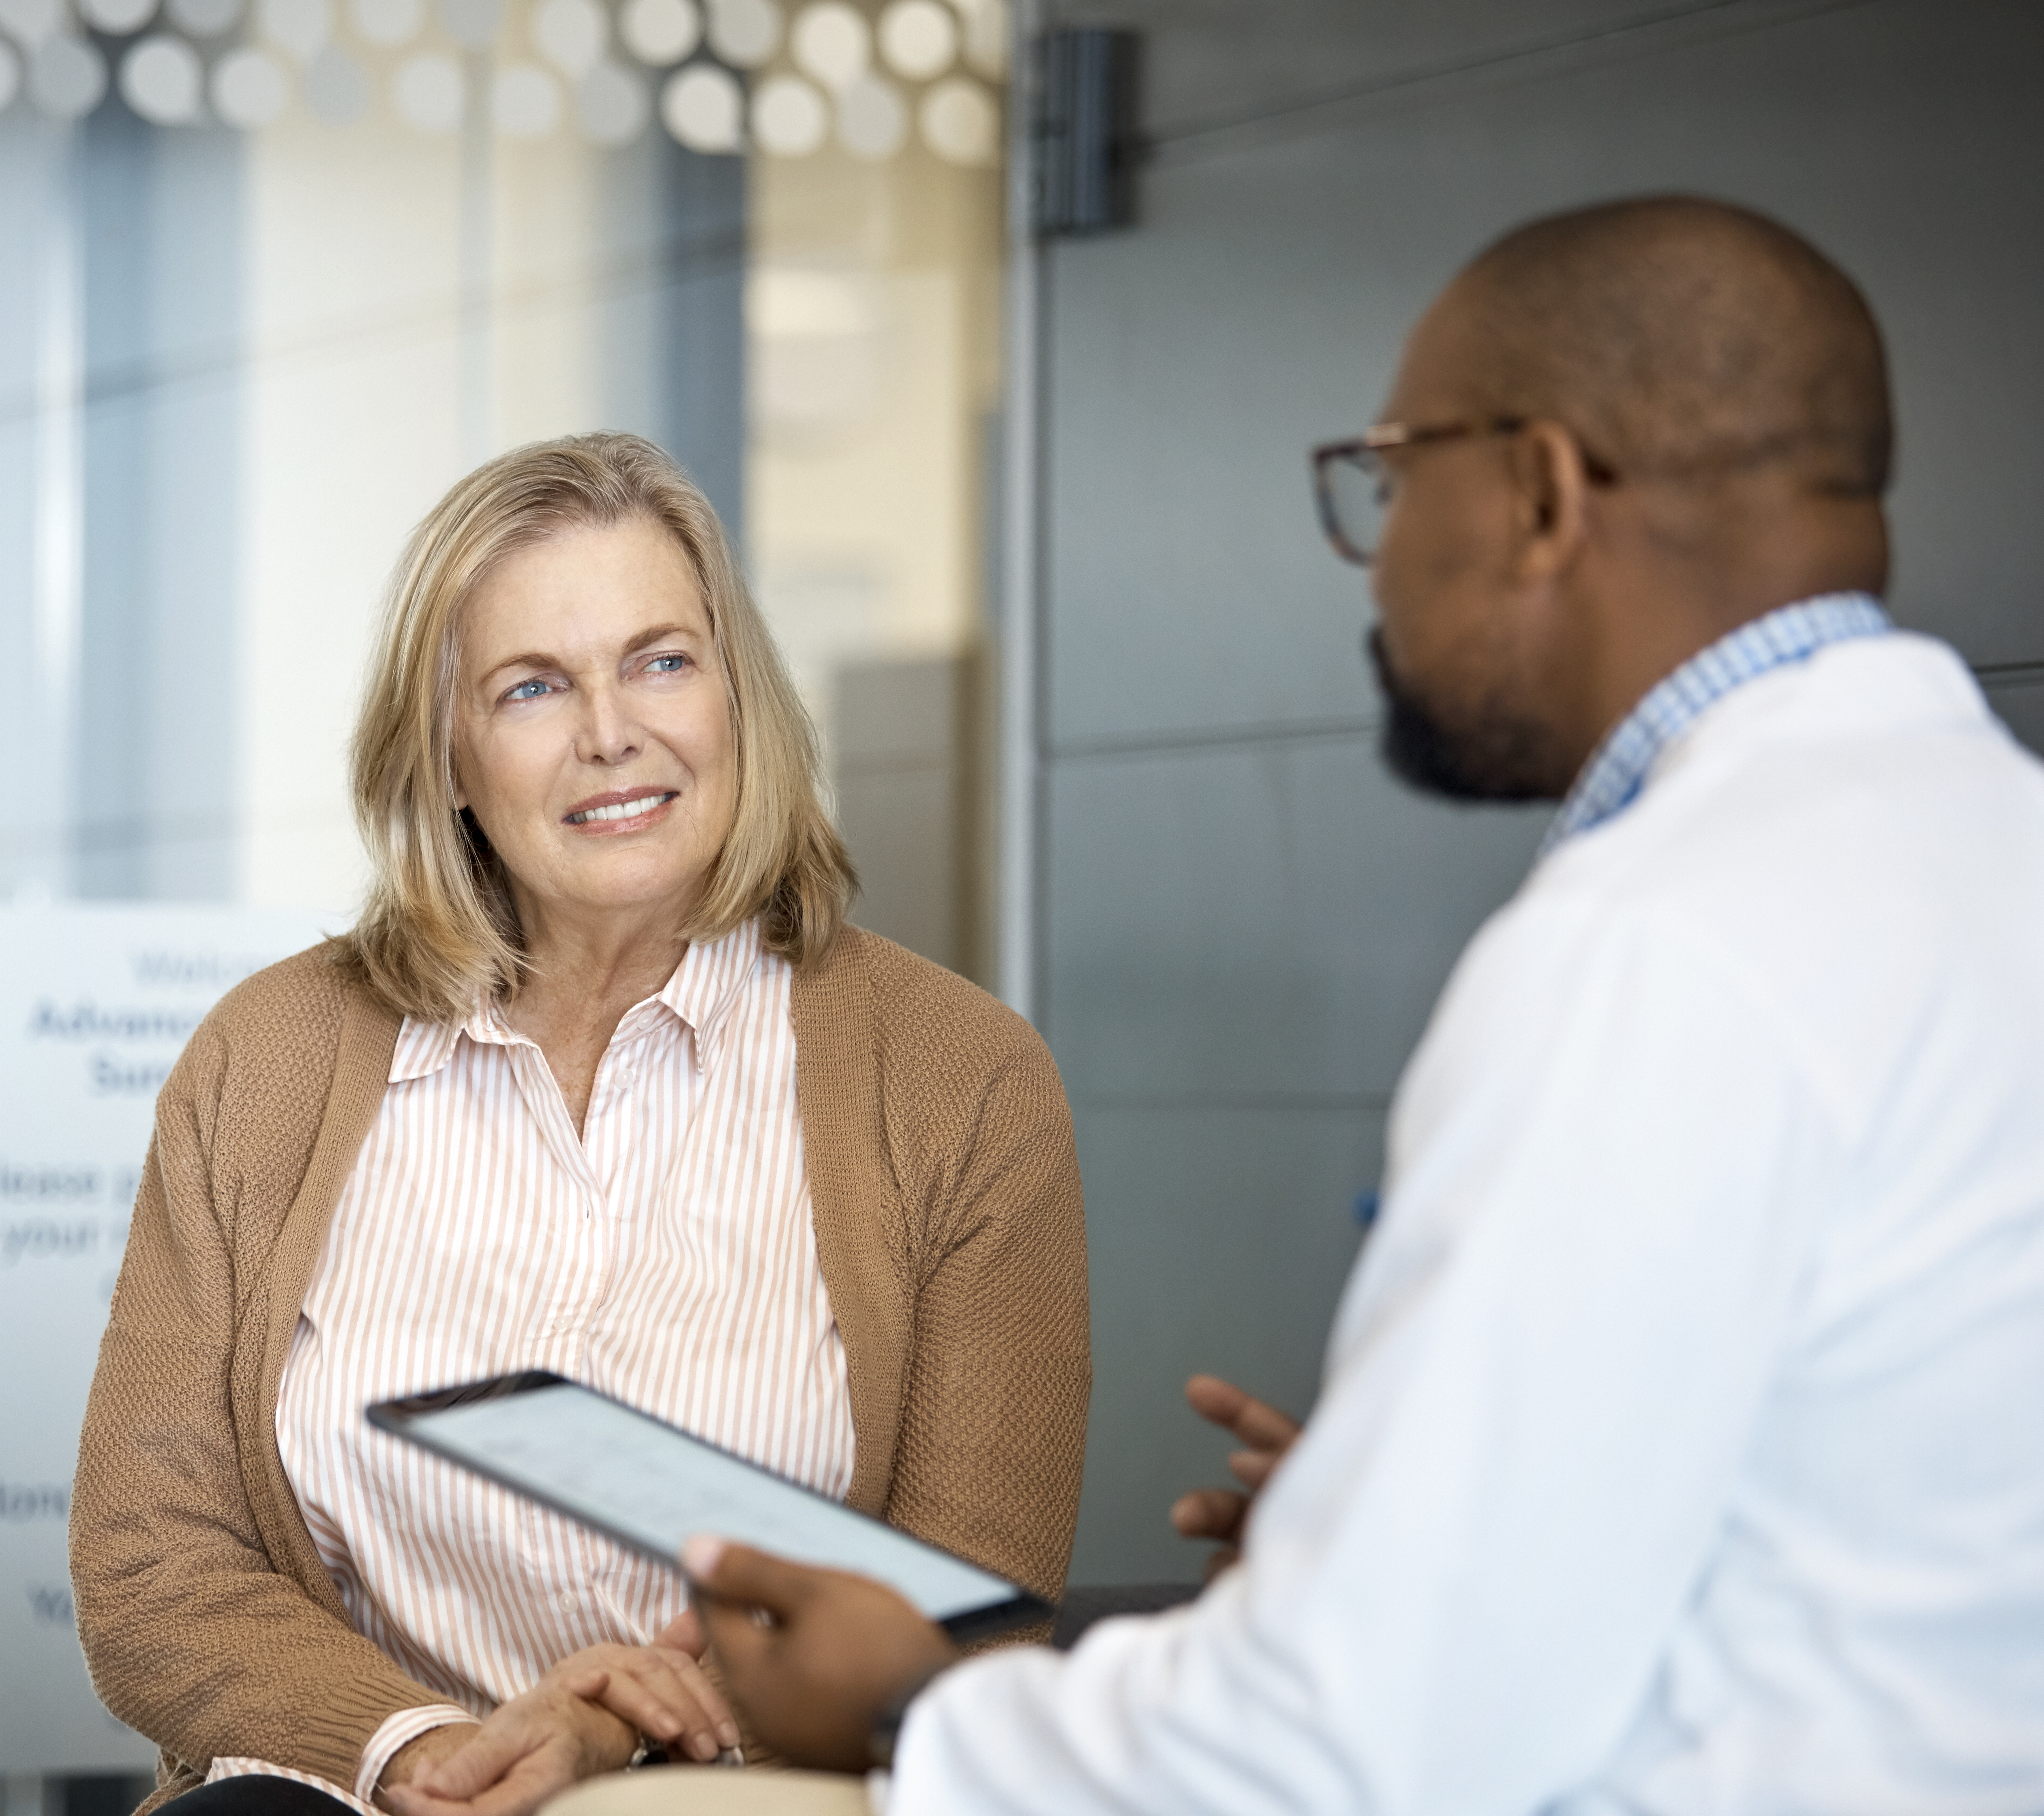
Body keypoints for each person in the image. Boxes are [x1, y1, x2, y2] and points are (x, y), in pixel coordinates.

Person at [555, 196, 2044, 1814]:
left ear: (1539, 492)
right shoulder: (1982, 848)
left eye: (1392, 478)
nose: (1376, 556)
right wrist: (1375, 1530)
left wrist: (922, 1709)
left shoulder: (1654, 946)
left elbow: (1358, 1741)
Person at [66, 433, 1091, 1816]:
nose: (612, 730)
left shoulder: (959, 1078)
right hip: (354, 1794)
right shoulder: (268, 1059)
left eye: (662, 660)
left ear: (742, 700)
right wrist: (427, 1744)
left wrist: (631, 1733)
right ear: (450, 760)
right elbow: (150, 1563)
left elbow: (974, 1612)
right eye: (533, 686)